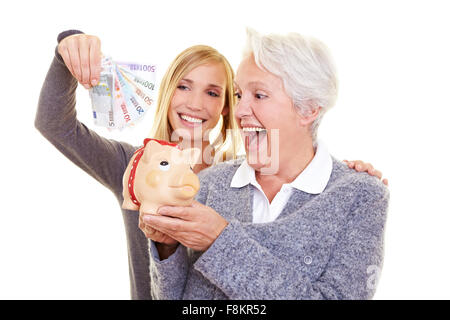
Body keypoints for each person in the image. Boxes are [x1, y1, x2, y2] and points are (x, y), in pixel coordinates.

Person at [35, 29, 386, 299]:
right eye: (184, 86)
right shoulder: (134, 166)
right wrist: (68, 47)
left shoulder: (241, 173)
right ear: (168, 90)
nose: (196, 103)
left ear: (225, 109)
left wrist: (347, 179)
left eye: (215, 93)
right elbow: (54, 123)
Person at [142, 29, 390, 299]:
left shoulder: (360, 197)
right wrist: (167, 248)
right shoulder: (210, 182)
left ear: (308, 109)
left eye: (259, 95)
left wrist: (220, 240)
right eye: (237, 95)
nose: (238, 111)